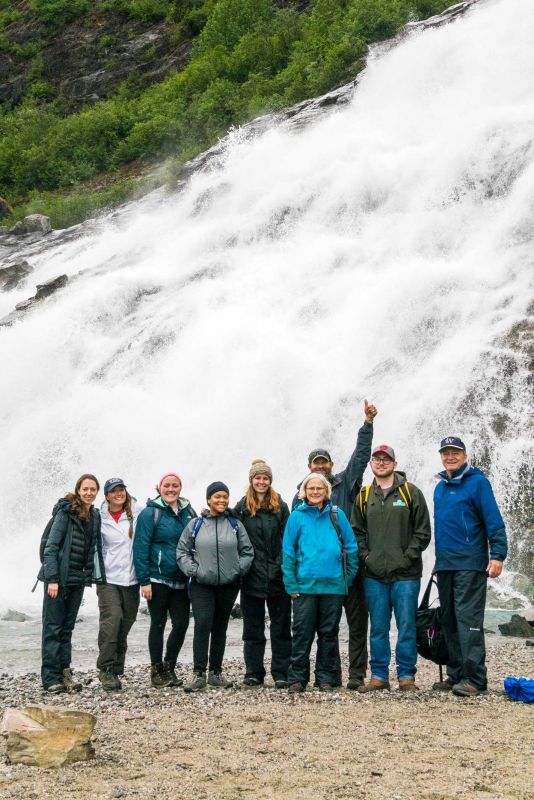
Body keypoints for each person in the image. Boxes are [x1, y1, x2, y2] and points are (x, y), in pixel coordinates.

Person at [292, 399, 377, 689]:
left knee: (356, 623)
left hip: (347, 570)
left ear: (331, 465)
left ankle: (355, 675)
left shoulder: (346, 483)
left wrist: (367, 425)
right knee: (319, 629)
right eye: (316, 463)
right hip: (315, 575)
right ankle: (322, 677)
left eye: (324, 462)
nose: (321, 466)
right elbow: (292, 540)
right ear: (309, 468)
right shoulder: (301, 498)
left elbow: (361, 457)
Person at [351, 445, 431, 693]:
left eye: (386, 459)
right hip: (374, 575)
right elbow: (357, 532)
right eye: (377, 459)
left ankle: (407, 677)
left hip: (406, 575)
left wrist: (407, 558)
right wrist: (366, 557)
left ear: (395, 464)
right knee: (378, 627)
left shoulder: (411, 493)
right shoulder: (364, 495)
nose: (381, 463)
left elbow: (423, 531)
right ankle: (379, 676)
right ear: (372, 463)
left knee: (406, 626)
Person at [433, 437, 507, 697]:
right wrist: (437, 563)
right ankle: (456, 674)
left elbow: (494, 520)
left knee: (468, 620)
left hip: (470, 564)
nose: (450, 457)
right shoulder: (440, 487)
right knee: (449, 620)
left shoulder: (478, 483)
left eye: (455, 452)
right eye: (446, 453)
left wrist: (497, 554)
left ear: (465, 455)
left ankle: (475, 678)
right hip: (445, 565)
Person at [283, 473, 358, 693]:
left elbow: (352, 547)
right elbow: (288, 552)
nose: (315, 492)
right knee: (302, 633)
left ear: (327, 491)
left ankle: (325, 677)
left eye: (319, 488)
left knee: (328, 634)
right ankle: (297, 678)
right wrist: (291, 584)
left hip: (333, 586)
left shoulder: (337, 515)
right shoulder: (296, 517)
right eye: (311, 488)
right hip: (304, 586)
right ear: (304, 492)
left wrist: (347, 578)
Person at [177, 481, 254, 692]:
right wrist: (194, 570)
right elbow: (182, 551)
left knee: (220, 627)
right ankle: (199, 673)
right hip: (202, 583)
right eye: (217, 497)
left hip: (229, 584)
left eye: (224, 497)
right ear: (209, 499)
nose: (221, 500)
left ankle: (216, 673)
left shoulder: (235, 524)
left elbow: (247, 552)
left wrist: (238, 570)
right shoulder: (196, 524)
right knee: (202, 625)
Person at [133, 472, 196, 688]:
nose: (171, 489)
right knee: (158, 623)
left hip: (181, 579)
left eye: (175, 485)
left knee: (181, 623)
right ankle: (156, 670)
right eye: (167, 485)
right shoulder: (150, 513)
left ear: (181, 488)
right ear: (159, 488)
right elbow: (140, 547)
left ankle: (170, 666)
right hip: (157, 579)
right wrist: (144, 581)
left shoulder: (189, 512)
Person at [39, 474, 102, 693]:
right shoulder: (65, 512)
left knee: (67, 629)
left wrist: (89, 577)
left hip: (76, 581)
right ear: (78, 490)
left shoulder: (94, 515)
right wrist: (53, 579)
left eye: (93, 489)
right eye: (85, 489)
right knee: (52, 628)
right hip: (57, 581)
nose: (89, 493)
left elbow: (91, 549)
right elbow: (50, 548)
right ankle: (50, 678)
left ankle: (64, 672)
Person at [233, 460, 291, 689]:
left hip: (278, 576)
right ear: (251, 480)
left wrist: (282, 566)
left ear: (270, 480)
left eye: (265, 478)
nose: (261, 481)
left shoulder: (280, 505)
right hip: (251, 576)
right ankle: (254, 672)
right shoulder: (242, 507)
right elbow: (231, 531)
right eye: (258, 478)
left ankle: (281, 672)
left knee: (281, 628)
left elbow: (288, 539)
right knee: (253, 628)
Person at [96, 478, 144, 691]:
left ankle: (116, 667)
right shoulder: (99, 517)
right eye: (113, 491)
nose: (118, 493)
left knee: (126, 622)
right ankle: (105, 669)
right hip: (108, 579)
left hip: (132, 579)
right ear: (106, 495)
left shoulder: (138, 512)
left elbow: (157, 508)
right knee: (112, 620)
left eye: (121, 489)